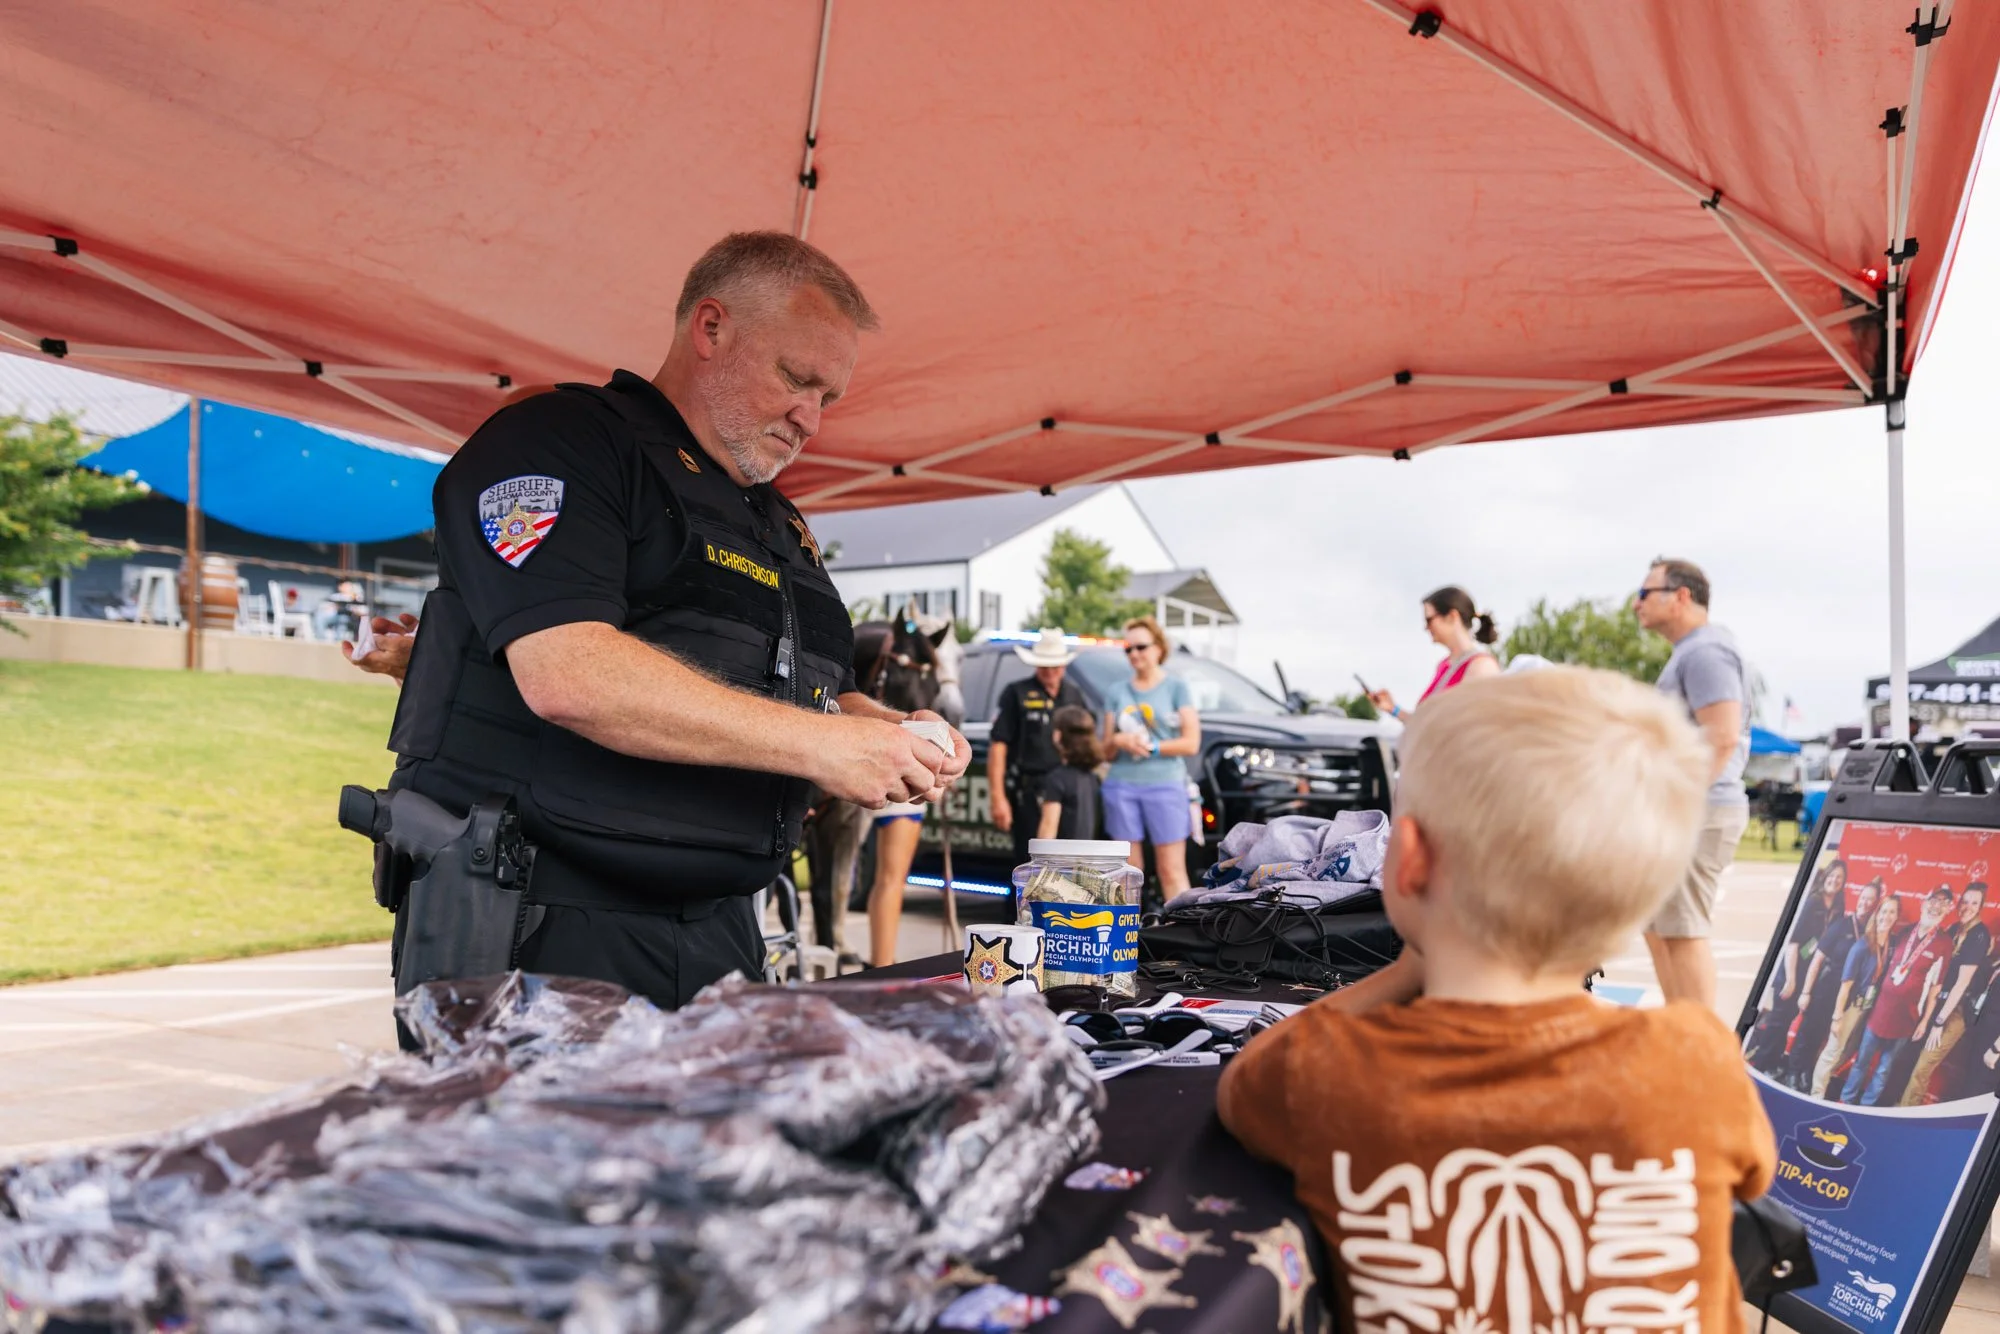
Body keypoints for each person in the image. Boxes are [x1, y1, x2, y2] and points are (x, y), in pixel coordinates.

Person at [383, 231, 969, 1010]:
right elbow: (571, 673)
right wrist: (828, 744)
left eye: (827, 397)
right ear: (711, 327)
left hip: (723, 925)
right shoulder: (562, 443)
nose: (811, 420)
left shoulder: (776, 521)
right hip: (541, 924)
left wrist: (886, 731)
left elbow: (793, 696)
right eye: (796, 379)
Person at [1218, 667, 1774, 1334]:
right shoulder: (1696, 1062)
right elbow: (1753, 1177)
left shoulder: (1327, 1072)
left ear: (1410, 860)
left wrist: (1405, 968)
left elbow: (1241, 1085)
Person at [1634, 557, 1751, 1010]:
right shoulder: (1693, 651)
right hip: (1684, 810)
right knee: (1658, 926)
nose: (1635, 604)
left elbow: (1721, 738)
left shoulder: (1706, 652)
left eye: (1645, 593)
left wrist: (1674, 804)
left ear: (1680, 596)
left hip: (1699, 810)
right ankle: (1680, 1032)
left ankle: (1699, 1049)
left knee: (1682, 930)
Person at [1100, 616, 1201, 901]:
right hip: (1122, 784)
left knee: (1170, 869)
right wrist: (1120, 740)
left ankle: (1178, 937)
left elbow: (1192, 743)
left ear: (1159, 647)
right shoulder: (1116, 691)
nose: (1134, 654)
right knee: (1127, 872)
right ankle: (1127, 938)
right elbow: (1104, 749)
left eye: (1140, 647)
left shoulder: (1176, 687)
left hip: (1165, 783)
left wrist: (1152, 747)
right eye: (1128, 649)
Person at [1841, 886, 1955, 1105]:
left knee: (1884, 1069)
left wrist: (1925, 1021)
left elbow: (1935, 988)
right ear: (1924, 904)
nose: (1934, 908)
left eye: (1941, 904)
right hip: (1879, 1012)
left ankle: (1867, 1107)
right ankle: (1846, 1099)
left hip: (1907, 1018)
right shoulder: (1904, 932)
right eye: (1932, 902)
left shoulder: (1944, 944)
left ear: (1947, 910)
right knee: (1861, 1062)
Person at [987, 628, 1087, 871]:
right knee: (1031, 860)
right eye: (1044, 666)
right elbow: (999, 745)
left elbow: (1086, 740)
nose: (1050, 672)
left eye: (1056, 666)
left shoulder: (1073, 694)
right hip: (1030, 790)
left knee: (1072, 861)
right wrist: (998, 797)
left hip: (1069, 790)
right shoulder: (1016, 693)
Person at [1745, 856, 1847, 1077]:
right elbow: (1793, 943)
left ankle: (1772, 1062)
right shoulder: (1813, 903)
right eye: (1832, 876)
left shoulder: (1838, 907)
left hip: (1807, 973)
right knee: (1778, 1021)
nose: (1835, 880)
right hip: (1791, 970)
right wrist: (1791, 979)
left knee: (1788, 1018)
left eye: (1840, 878)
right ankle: (1760, 1066)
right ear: (1825, 877)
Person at [1785, 869, 1875, 1091]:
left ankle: (1805, 1071)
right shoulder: (1841, 925)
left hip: (1843, 998)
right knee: (1807, 1032)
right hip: (1824, 990)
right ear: (1859, 899)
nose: (1866, 903)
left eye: (1871, 901)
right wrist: (1806, 992)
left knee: (1820, 1036)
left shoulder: (1871, 932)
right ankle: (1792, 1072)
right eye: (1864, 898)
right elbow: (1817, 959)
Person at [1902, 881, 1990, 1105]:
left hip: (1956, 1012)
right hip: (1936, 1003)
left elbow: (1962, 984)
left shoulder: (1980, 935)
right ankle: (1903, 1108)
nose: (1967, 907)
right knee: (1912, 1059)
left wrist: (1940, 1022)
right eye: (1965, 901)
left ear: (1980, 907)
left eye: (1974, 903)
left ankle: (1905, 1116)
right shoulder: (1952, 930)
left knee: (1924, 1064)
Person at [1365, 585, 1500, 720]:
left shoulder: (1481, 667)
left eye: (1429, 620)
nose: (1426, 627)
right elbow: (1426, 726)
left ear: (1452, 616)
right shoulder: (1445, 666)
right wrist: (1392, 708)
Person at [1814, 889, 1900, 1098]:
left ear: (1896, 917)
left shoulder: (1892, 945)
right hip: (1852, 1006)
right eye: (1884, 911)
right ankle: (1816, 1095)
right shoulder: (1862, 945)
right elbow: (1845, 986)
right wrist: (1837, 1017)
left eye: (1892, 912)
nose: (1887, 916)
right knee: (1833, 1050)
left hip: (1869, 1009)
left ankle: (1827, 1083)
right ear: (1876, 914)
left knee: (1849, 1050)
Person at [1036, 705, 1104, 841]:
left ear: (1058, 736)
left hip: (1063, 858)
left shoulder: (1056, 779)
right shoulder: (1093, 778)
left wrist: (1040, 859)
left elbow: (1048, 828)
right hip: (1085, 855)